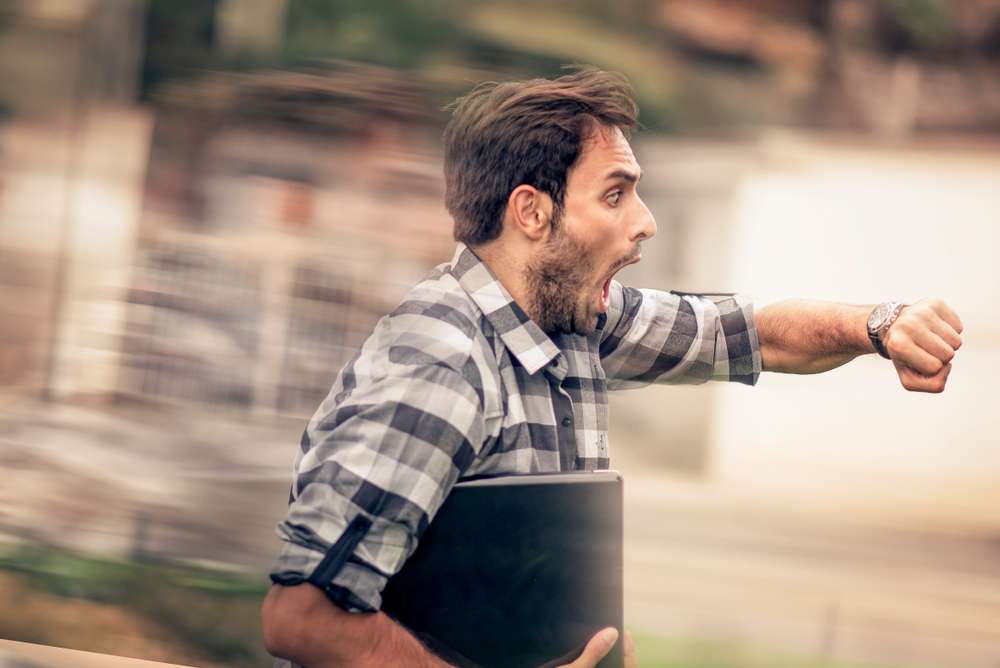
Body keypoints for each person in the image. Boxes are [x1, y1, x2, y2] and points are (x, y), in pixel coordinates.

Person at [260, 68, 963, 668]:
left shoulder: (575, 321)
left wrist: (879, 325)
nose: (646, 221)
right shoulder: (441, 363)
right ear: (532, 213)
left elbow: (754, 336)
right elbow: (303, 616)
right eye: (616, 193)